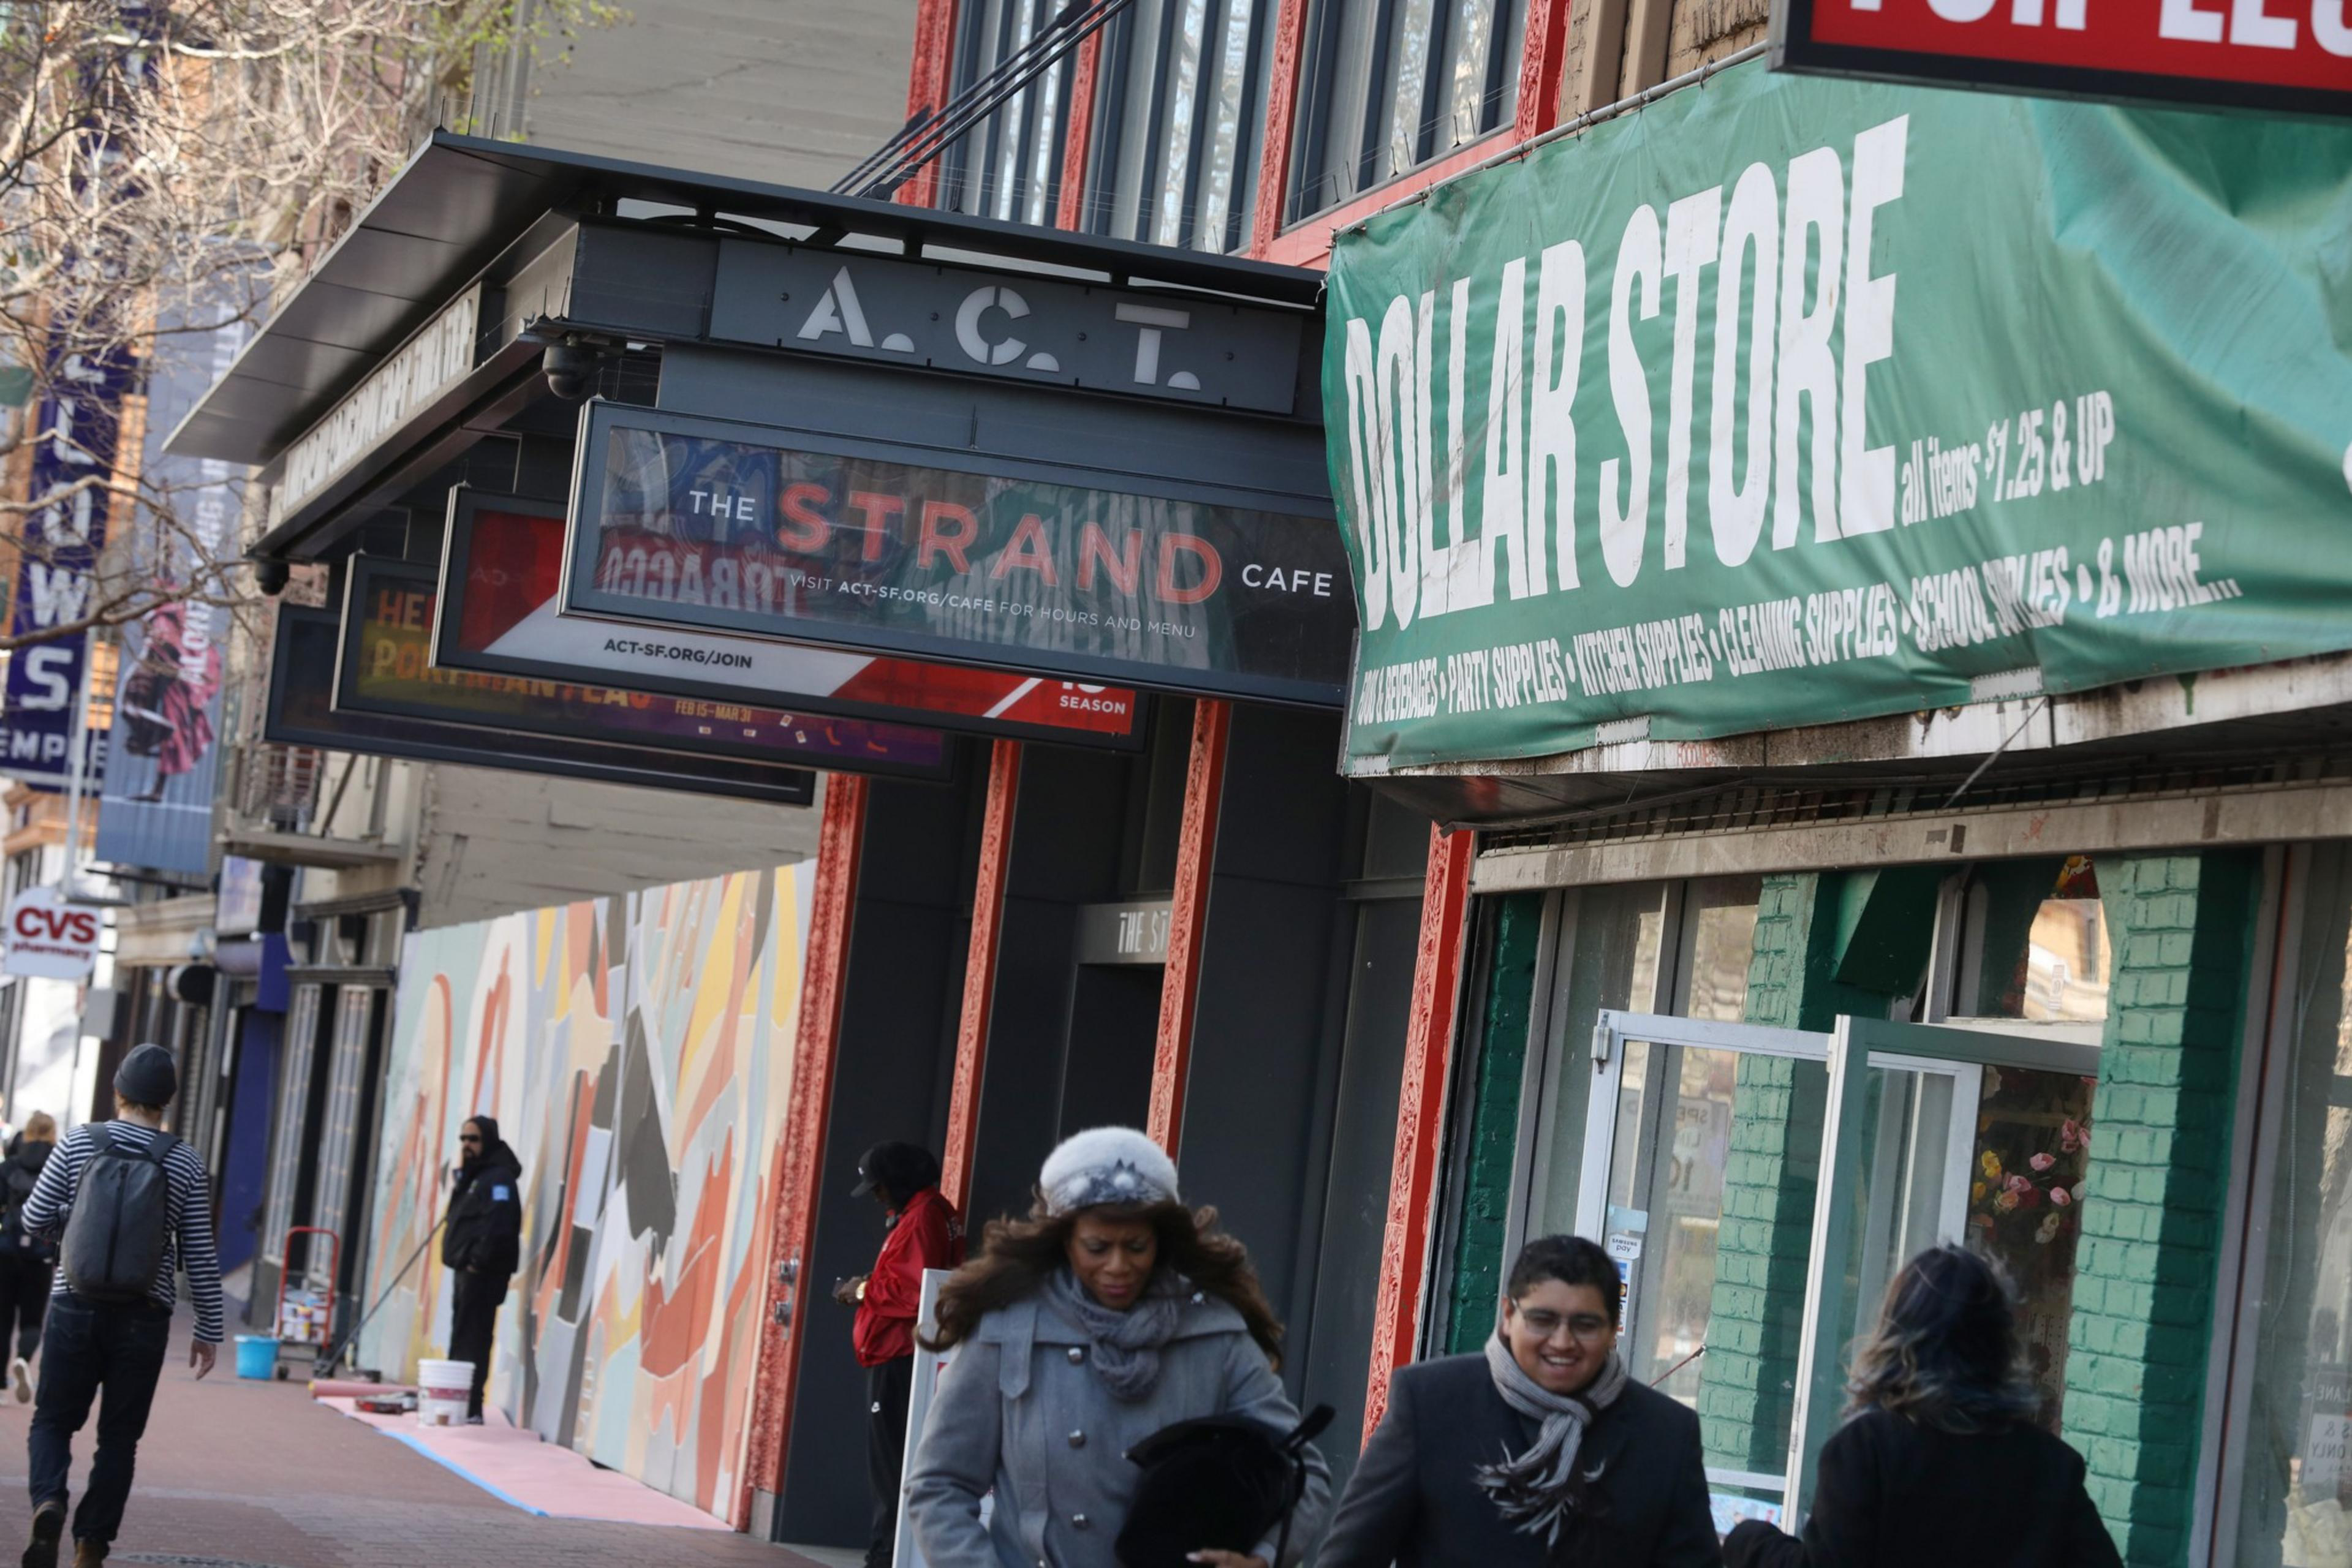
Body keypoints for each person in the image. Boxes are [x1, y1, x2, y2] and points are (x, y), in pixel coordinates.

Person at [905, 1126, 1330, 1568]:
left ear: (1160, 1241)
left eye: (1136, 1247)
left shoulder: (1213, 1332)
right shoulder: (1007, 1331)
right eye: (1097, 1247)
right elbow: (939, 1485)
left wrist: (1260, 1561)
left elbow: (1306, 1472)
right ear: (1064, 1240)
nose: (1117, 1266)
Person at [1320, 1234, 1720, 1568]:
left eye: (1585, 1325)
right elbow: (1350, 1557)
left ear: (1613, 1328)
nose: (1562, 1342)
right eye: (1542, 1320)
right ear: (1508, 1315)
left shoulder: (1665, 1435)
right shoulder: (1430, 1403)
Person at [1722, 1244, 2121, 1568]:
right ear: (1998, 1344)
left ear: (1897, 1336)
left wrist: (1747, 1541)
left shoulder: (1867, 1451)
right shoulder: (2051, 1465)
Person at [20, 1045, 222, 1568]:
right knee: (119, 1439)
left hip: (73, 1304)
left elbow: (34, 1218)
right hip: (144, 1316)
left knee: (52, 1422)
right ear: (168, 1102)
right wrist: (209, 1328)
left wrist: (72, 1223)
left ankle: (48, 1501)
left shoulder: (78, 1142)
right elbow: (199, 1251)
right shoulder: (184, 1160)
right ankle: (91, 1546)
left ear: (118, 1092)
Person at [831, 1142, 963, 1568]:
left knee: (891, 1470)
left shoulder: (924, 1215)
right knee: (897, 1464)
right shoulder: (927, 1212)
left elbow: (915, 1293)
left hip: (901, 1357)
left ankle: (886, 1557)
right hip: (903, 1355)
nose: (875, 1196)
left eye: (880, 1187)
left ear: (900, 1181)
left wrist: (862, 1291)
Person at [441, 1115, 523, 1426]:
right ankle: (457, 1402)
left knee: (474, 1338)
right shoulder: (474, 1176)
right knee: (461, 1336)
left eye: (473, 1139)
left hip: (481, 1275)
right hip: (465, 1272)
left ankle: (471, 1406)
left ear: (487, 1141)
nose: (467, 1145)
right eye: (463, 1139)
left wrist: (477, 1261)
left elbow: (499, 1225)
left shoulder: (498, 1179)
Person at [0, 1114, 60, 1403]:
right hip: (41, 1257)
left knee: (2, 1320)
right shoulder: (58, 1166)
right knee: (32, 1321)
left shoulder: (9, 1166)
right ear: (52, 1133)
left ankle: (0, 1384)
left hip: (6, 1253)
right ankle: (23, 1358)